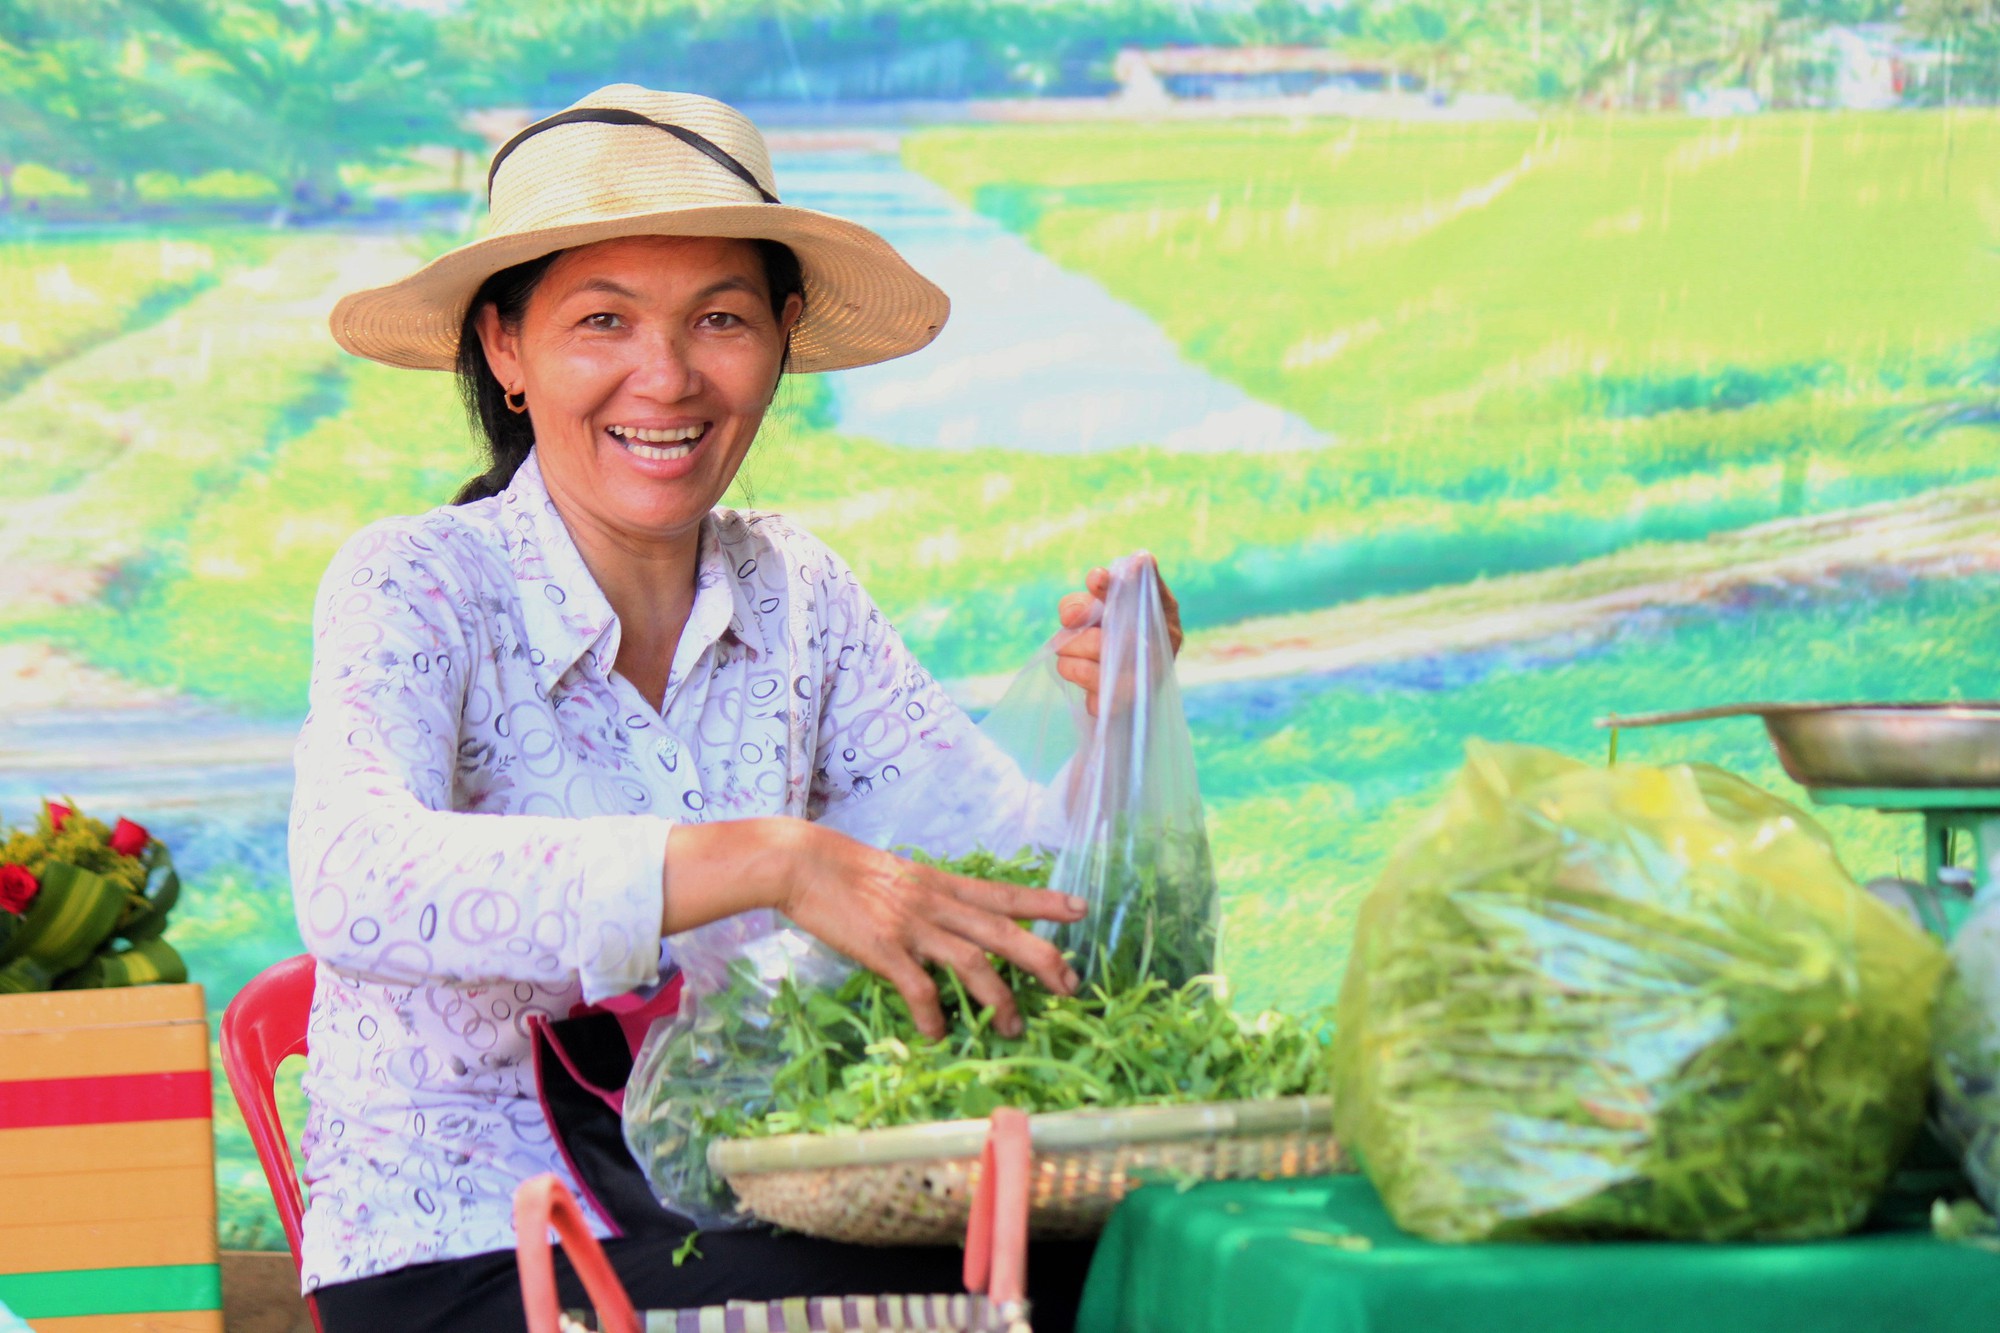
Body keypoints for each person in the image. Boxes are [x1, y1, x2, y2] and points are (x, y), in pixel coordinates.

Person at [291, 85, 1183, 1331]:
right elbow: (350, 877)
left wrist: (1116, 724)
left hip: (737, 1215)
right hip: (476, 1250)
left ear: (781, 334)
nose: (665, 377)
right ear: (505, 348)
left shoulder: (796, 589)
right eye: (602, 320)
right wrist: (769, 859)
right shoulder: (416, 579)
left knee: (1129, 1258)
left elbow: (1010, 888)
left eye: (719, 318)